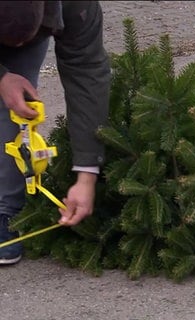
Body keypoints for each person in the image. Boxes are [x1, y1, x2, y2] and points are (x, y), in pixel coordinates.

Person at [0, 1, 111, 265]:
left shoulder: (74, 6)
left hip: (38, 21)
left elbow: (87, 74)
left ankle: (5, 210)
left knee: (16, 103)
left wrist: (86, 177)